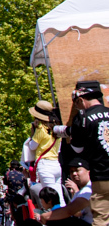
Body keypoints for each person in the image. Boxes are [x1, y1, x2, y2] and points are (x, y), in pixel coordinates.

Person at [54, 81, 108, 226]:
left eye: (76, 104)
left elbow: (78, 149)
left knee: (101, 219)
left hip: (101, 175)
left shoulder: (83, 117)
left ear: (81, 100)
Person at [28, 102, 65, 205]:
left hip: (45, 165)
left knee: (51, 197)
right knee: (59, 196)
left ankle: (57, 218)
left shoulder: (41, 129)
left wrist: (32, 133)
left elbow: (32, 146)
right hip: (56, 163)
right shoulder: (56, 128)